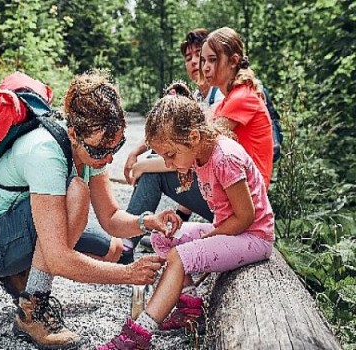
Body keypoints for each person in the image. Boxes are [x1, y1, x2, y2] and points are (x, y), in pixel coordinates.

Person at [0, 70, 180, 350]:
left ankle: (21, 274)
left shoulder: (91, 151)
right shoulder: (46, 153)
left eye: (118, 146)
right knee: (77, 193)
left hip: (17, 226)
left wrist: (148, 221)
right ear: (75, 134)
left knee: (113, 250)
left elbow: (111, 218)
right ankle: (33, 311)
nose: (110, 157)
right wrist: (128, 275)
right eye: (102, 150)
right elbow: (58, 258)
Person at [97, 83, 274, 349]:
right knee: (162, 237)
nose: (167, 164)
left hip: (253, 237)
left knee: (180, 256)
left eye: (169, 155)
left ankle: (139, 334)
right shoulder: (198, 155)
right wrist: (179, 220)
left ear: (192, 137)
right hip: (230, 229)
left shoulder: (224, 157)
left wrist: (209, 237)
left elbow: (246, 217)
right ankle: (190, 307)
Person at [121, 28, 224, 260]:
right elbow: (170, 138)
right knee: (152, 163)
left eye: (201, 55)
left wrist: (143, 166)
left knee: (152, 171)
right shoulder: (200, 97)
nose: (195, 62)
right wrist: (137, 151)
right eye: (189, 58)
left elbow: (194, 157)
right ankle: (135, 237)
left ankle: (125, 245)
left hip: (234, 198)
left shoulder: (221, 97)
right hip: (215, 188)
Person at [201, 26, 274, 185]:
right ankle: (178, 212)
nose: (205, 67)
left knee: (155, 176)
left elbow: (200, 145)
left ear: (233, 61)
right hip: (235, 184)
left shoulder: (242, 97)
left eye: (212, 60)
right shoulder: (226, 101)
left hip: (250, 194)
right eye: (204, 60)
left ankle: (136, 211)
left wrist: (146, 165)